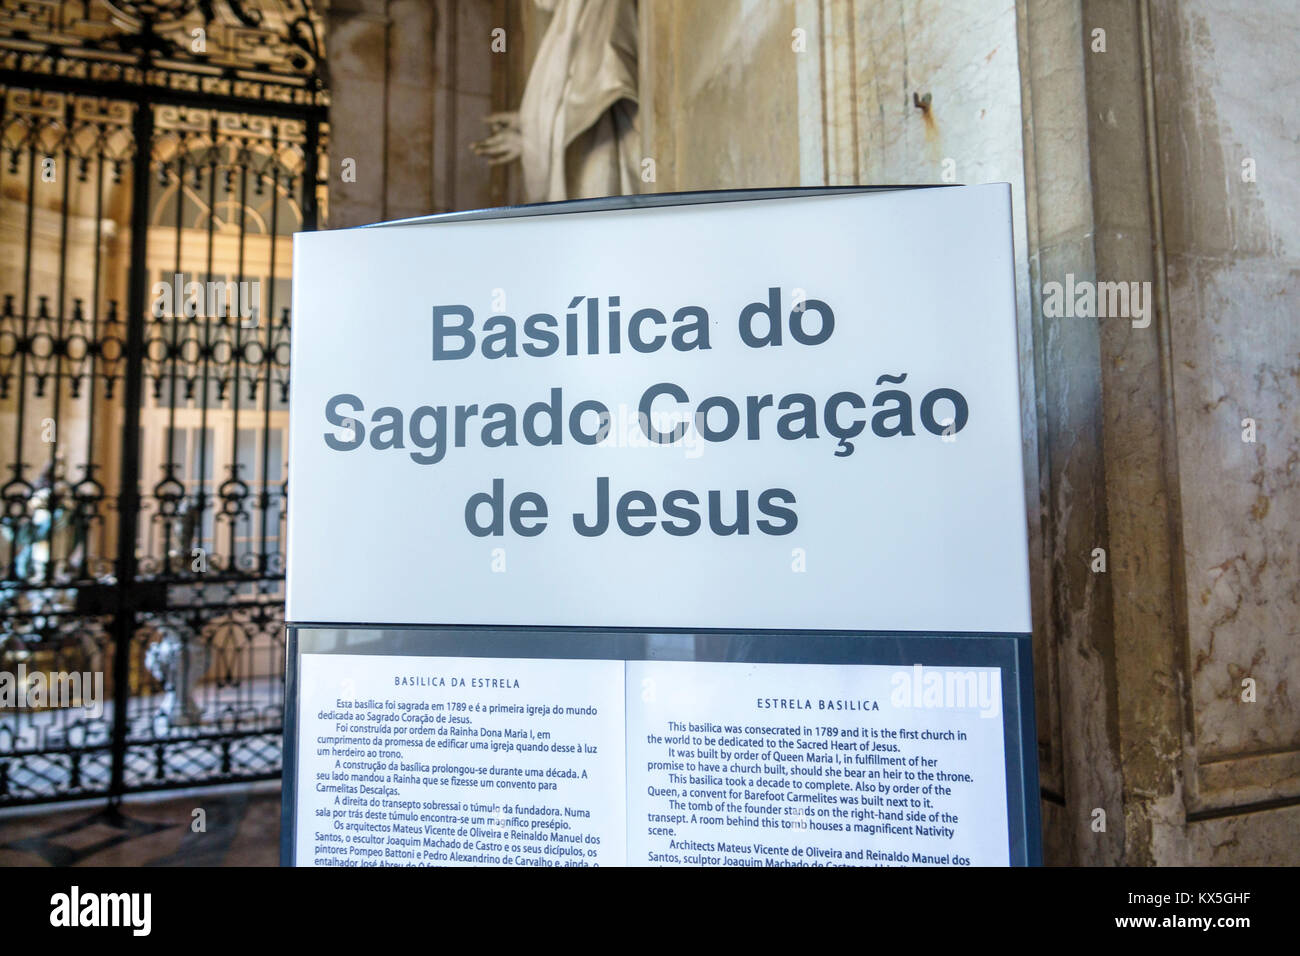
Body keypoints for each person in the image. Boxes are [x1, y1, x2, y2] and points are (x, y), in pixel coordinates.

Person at [471, 0, 639, 203]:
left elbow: (593, 96)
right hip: (586, 155)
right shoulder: (564, 22)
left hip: (598, 151)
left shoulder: (597, 7)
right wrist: (529, 122)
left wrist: (532, 135)